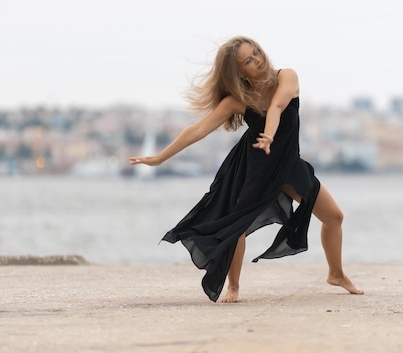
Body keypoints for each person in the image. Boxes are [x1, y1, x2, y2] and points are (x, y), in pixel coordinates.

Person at [130, 36, 363, 303]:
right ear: (237, 71)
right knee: (237, 224)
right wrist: (159, 158)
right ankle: (234, 287)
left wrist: (270, 135)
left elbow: (276, 106)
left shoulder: (287, 76)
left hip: (287, 163)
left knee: (334, 217)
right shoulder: (237, 100)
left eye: (257, 53)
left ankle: (336, 273)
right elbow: (198, 130)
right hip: (257, 165)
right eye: (248, 61)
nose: (258, 61)